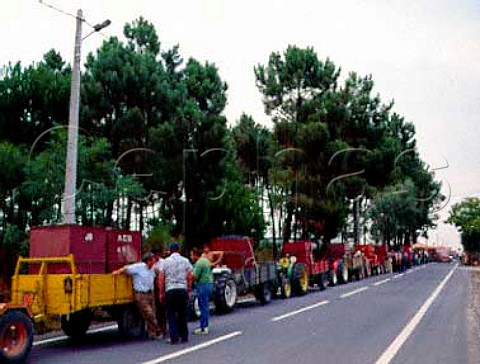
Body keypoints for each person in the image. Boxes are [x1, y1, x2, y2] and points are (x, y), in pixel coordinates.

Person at [112, 252, 162, 340]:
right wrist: (118, 272)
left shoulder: (153, 268)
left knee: (152, 313)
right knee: (149, 313)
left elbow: (158, 274)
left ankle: (152, 333)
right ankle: (158, 329)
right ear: (148, 261)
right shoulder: (139, 267)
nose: (154, 261)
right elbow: (126, 269)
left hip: (150, 293)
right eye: (152, 260)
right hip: (141, 294)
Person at [158, 242, 193, 344]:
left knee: (171, 314)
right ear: (179, 250)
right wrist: (189, 289)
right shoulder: (185, 261)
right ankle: (184, 336)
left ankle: (174, 337)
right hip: (182, 289)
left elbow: (161, 277)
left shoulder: (165, 262)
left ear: (170, 250)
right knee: (183, 313)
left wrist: (161, 292)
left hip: (170, 289)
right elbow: (190, 276)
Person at [190, 248, 213, 335]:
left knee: (203, 306)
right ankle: (204, 326)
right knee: (205, 305)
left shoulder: (199, 263)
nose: (191, 257)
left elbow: (195, 276)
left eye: (192, 255)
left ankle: (204, 327)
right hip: (209, 283)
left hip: (202, 285)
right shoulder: (206, 261)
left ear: (196, 255)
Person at [151, 247, 167, 338]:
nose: (155, 257)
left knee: (162, 309)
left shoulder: (163, 262)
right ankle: (157, 329)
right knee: (155, 309)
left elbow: (162, 274)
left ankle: (163, 328)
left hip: (161, 286)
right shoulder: (151, 262)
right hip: (153, 287)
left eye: (156, 255)